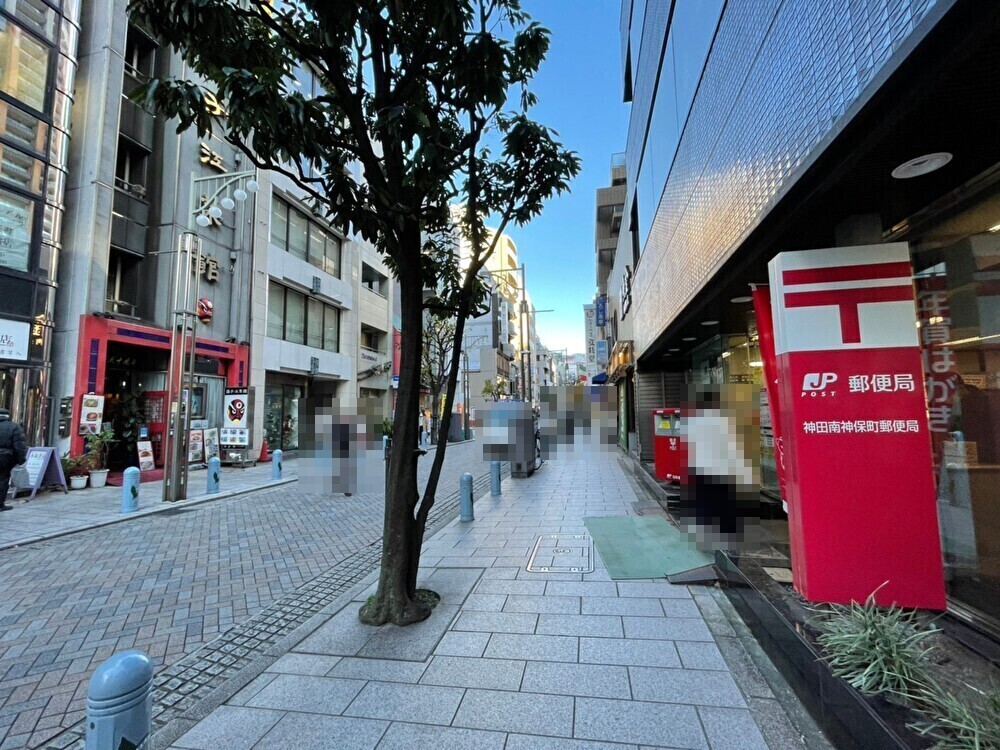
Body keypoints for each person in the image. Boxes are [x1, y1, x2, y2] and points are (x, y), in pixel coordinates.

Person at [0, 408, 28, 511]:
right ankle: (0, 505)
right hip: (5, 458)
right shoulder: (14, 427)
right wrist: (21, 460)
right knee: (3, 480)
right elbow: (19, 446)